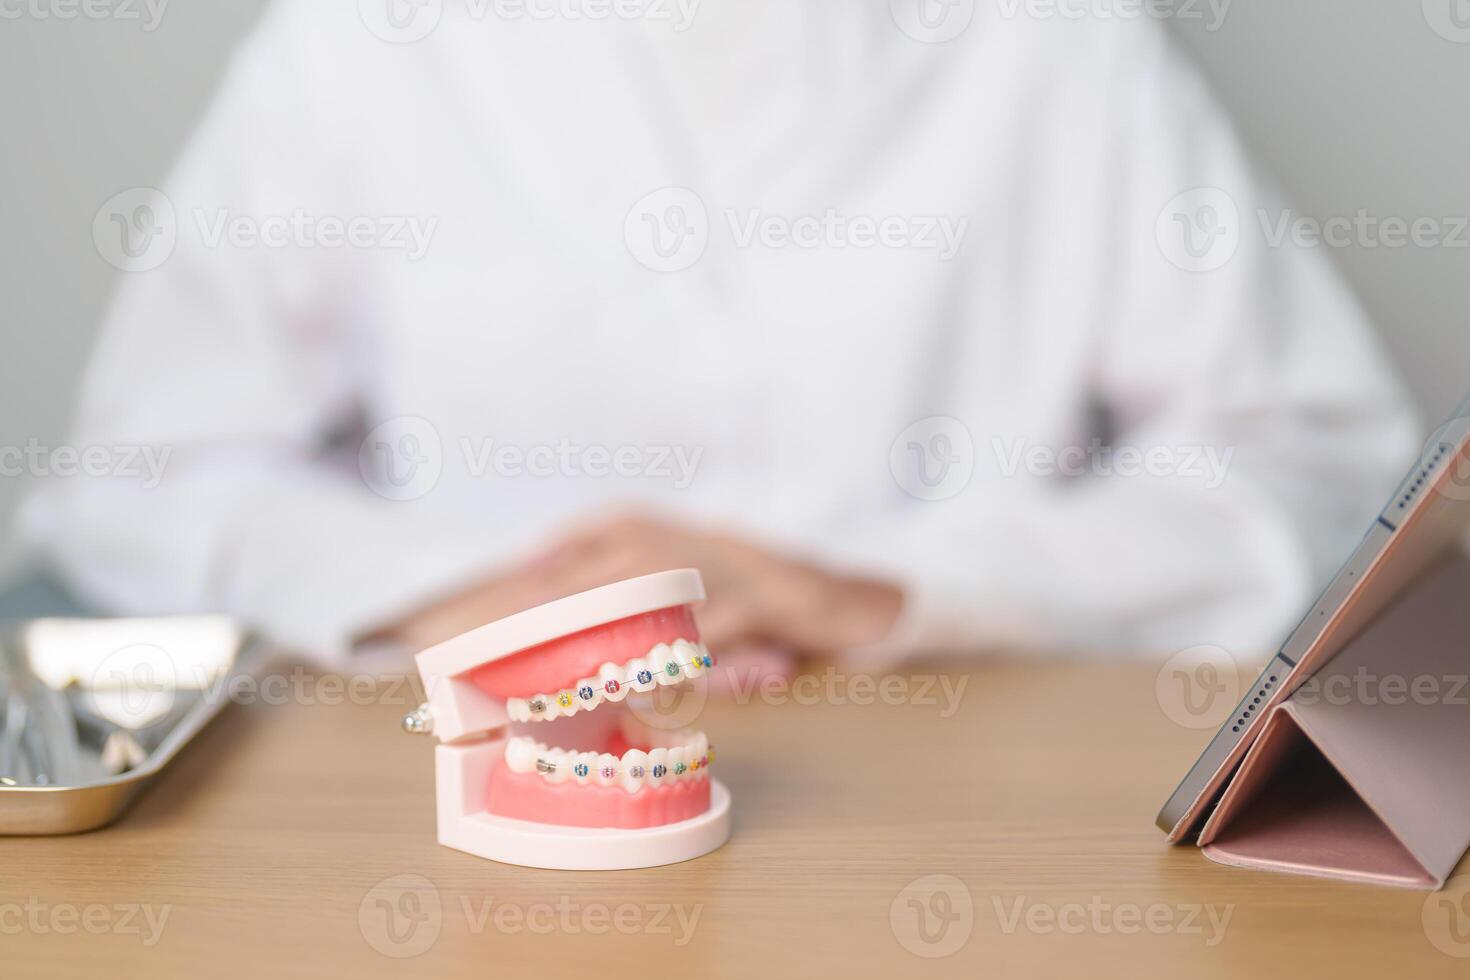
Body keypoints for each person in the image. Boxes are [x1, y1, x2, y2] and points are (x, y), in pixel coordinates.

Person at [22, 1, 1418, 666]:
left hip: (956, 801)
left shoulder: (1051, 39)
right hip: (472, 804)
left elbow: (1308, 469)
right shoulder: (353, 45)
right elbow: (139, 485)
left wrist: (874, 596)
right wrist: (464, 603)